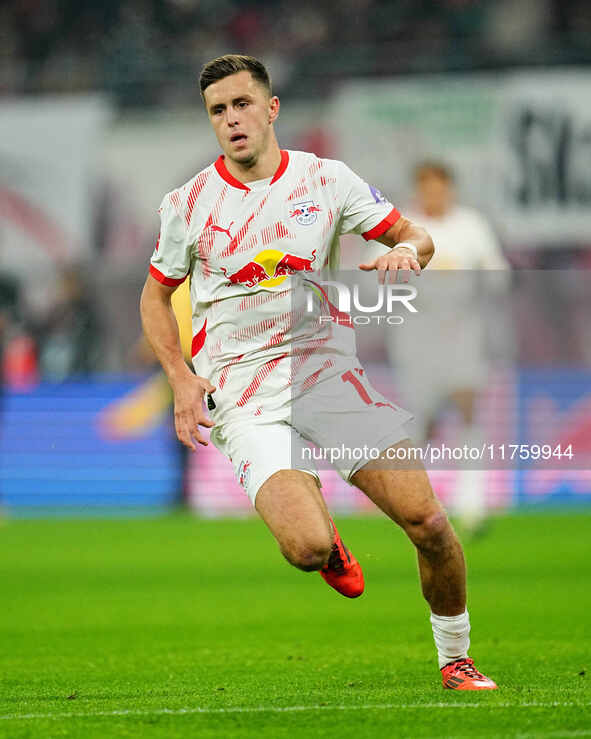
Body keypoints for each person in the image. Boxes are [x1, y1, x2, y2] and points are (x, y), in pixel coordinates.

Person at [140, 55, 497, 690]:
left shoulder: (326, 181)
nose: (231, 120)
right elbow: (153, 296)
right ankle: (326, 538)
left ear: (271, 108)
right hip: (242, 395)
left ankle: (456, 658)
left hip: (325, 375)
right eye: (218, 111)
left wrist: (406, 257)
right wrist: (180, 378)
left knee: (430, 523)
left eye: (242, 104)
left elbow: (414, 236)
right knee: (304, 549)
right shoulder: (187, 204)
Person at [385, 161, 511, 534]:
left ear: (450, 189)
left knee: (468, 412)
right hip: (416, 339)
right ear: (418, 190)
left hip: (462, 337)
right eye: (427, 187)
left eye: (440, 187)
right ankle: (417, 505)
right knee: (419, 425)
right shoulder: (400, 228)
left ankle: (472, 506)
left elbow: (498, 277)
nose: (434, 194)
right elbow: (374, 280)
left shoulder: (470, 226)